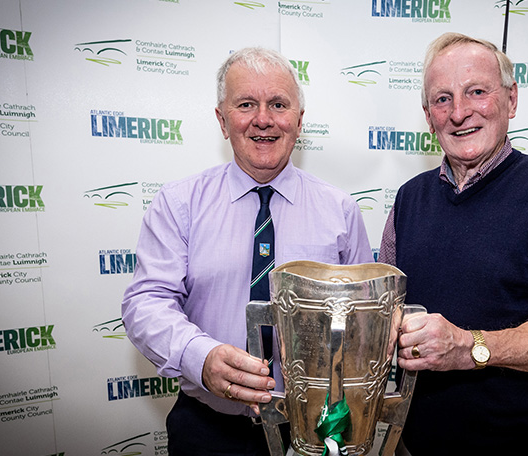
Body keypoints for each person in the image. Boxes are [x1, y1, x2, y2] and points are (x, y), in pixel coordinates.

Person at [122, 47, 374, 456]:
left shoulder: (341, 212)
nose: (263, 119)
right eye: (246, 105)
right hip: (207, 429)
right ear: (222, 120)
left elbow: (363, 329)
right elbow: (146, 302)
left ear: (299, 121)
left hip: (317, 429)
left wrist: (337, 423)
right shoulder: (178, 204)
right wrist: (199, 357)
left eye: (278, 104)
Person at [378, 33, 528, 454]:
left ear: (511, 100)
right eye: (442, 99)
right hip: (414, 442)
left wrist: (471, 347)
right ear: (428, 117)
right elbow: (385, 313)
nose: (459, 112)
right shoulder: (409, 199)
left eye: (477, 92)